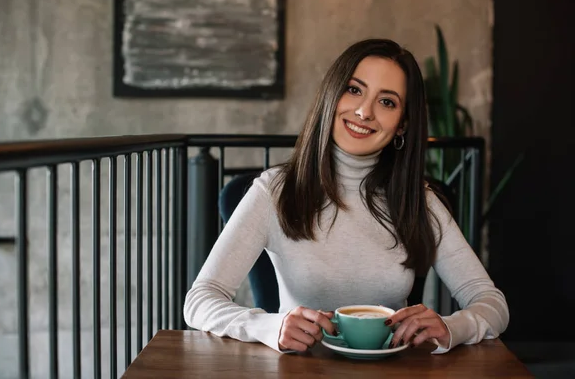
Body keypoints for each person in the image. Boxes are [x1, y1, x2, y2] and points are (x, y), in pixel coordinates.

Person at [183, 39, 509, 354]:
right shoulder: (275, 191)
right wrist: (270, 326)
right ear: (332, 95)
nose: (364, 112)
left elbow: (491, 303)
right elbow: (200, 300)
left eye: (387, 102)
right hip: (299, 369)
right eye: (354, 90)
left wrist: (452, 327)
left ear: (402, 124)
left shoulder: (419, 201)